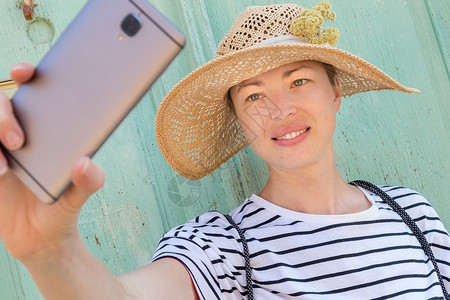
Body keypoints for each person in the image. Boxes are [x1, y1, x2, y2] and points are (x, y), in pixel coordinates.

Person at [0, 1, 448, 300]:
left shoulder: (412, 212)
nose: (279, 109)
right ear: (238, 119)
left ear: (335, 92)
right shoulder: (226, 246)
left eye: (298, 80)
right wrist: (49, 254)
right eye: (253, 96)